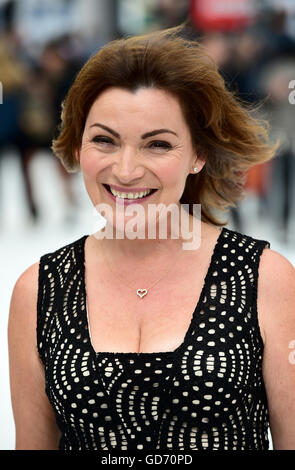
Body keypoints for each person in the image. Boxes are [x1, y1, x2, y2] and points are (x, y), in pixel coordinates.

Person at [8, 25, 295, 451]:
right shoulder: (38, 291)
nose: (125, 171)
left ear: (198, 154)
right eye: (104, 140)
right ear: (78, 146)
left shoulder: (264, 280)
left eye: (157, 145)